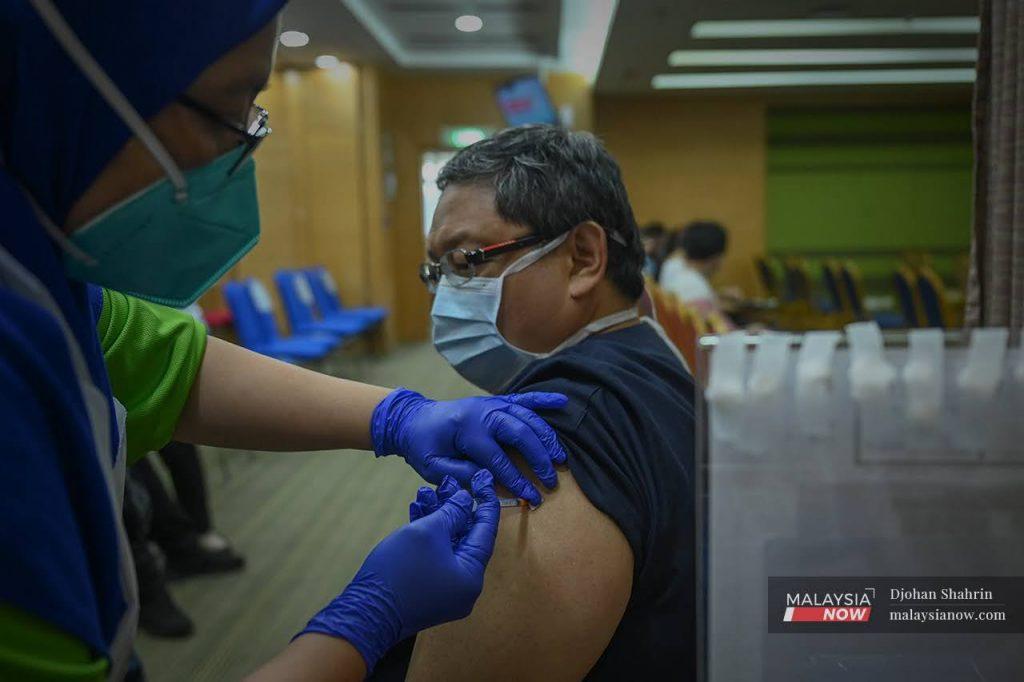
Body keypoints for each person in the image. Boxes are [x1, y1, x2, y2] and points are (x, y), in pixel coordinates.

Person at [1, 2, 570, 679]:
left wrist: (399, 415)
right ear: (79, 93)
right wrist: (361, 623)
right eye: (229, 108)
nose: (240, 149)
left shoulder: (32, 272)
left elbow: (171, 366)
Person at [370, 125, 697, 680]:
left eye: (469, 260)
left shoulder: (547, 435)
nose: (447, 293)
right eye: (439, 270)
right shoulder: (647, 354)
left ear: (584, 257)